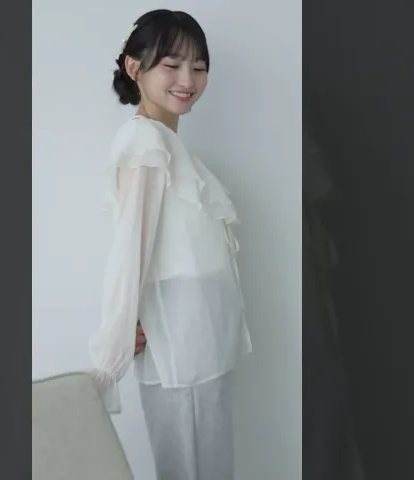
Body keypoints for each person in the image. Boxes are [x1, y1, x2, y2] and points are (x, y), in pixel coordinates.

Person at [89, 9, 252, 480]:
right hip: (180, 348)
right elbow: (130, 251)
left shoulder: (168, 145)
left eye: (199, 67)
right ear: (134, 66)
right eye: (172, 64)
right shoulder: (144, 141)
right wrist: (111, 355)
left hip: (204, 344)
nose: (188, 79)